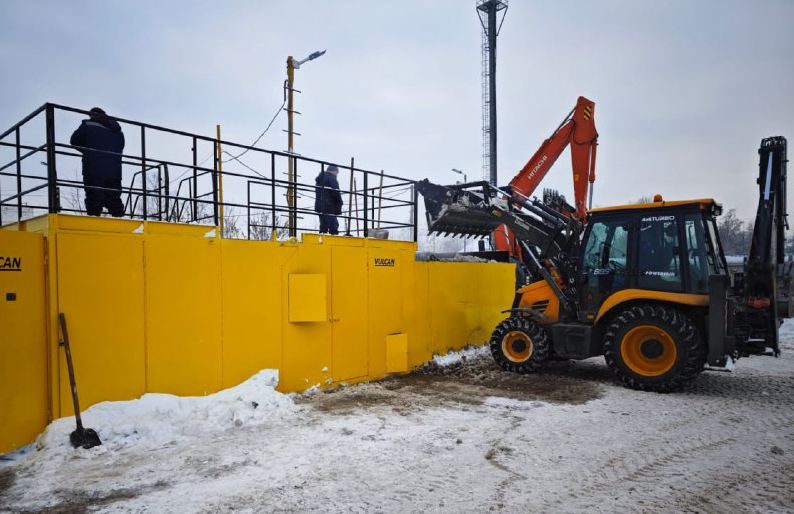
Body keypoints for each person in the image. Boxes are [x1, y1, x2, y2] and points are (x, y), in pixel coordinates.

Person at [70, 107, 126, 217]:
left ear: (92, 115)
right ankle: (120, 222)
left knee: (94, 197)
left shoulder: (88, 125)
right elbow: (120, 146)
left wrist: (88, 151)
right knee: (114, 198)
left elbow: (74, 141)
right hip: (114, 170)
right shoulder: (118, 130)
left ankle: (93, 220)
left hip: (93, 167)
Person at [314, 164, 343, 234]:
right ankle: (334, 238)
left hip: (320, 205)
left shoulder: (320, 179)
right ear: (334, 171)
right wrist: (340, 202)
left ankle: (322, 237)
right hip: (329, 206)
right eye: (337, 173)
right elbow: (336, 192)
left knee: (323, 225)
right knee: (333, 225)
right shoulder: (331, 178)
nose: (337, 175)